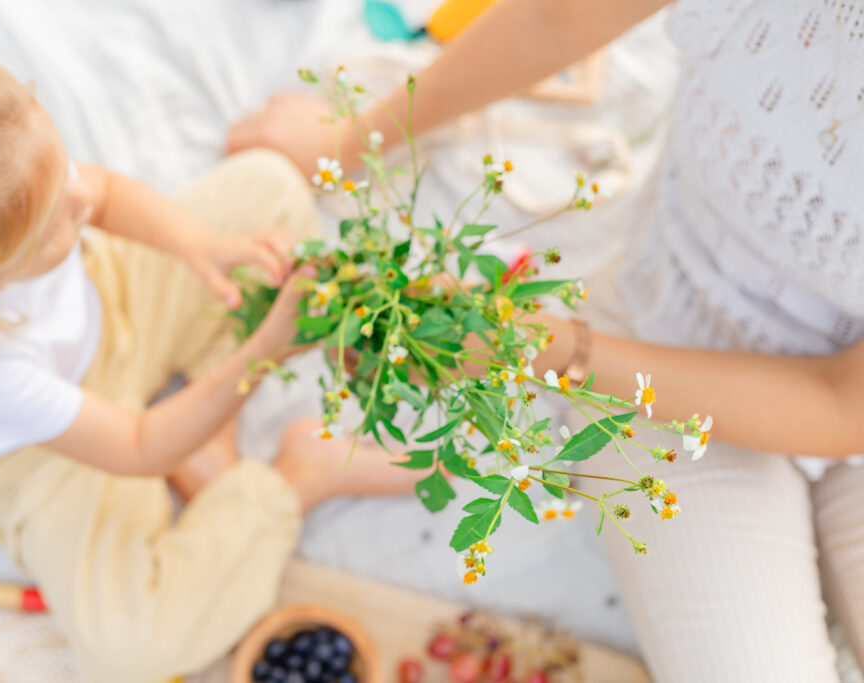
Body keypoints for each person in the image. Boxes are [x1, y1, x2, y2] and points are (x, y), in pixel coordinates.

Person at [227, 0, 864, 680]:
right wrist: (357, 138)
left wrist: (547, 349)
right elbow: (555, 18)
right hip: (665, 336)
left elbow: (839, 402)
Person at [0, 35, 417, 683]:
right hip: (55, 457)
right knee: (132, 646)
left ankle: (204, 430)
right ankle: (295, 475)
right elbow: (139, 445)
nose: (81, 204)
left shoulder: (6, 174)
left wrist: (198, 243)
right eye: (51, 225)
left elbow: (107, 194)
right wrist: (265, 350)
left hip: (110, 300)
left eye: (64, 177)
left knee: (270, 187)